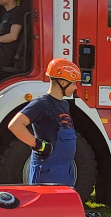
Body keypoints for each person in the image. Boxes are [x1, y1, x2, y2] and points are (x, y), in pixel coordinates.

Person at [8, 58, 81, 187]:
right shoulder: (41, 104)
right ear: (63, 83)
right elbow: (15, 125)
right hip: (47, 172)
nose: (75, 87)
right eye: (74, 83)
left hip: (65, 171)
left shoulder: (64, 105)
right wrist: (39, 145)